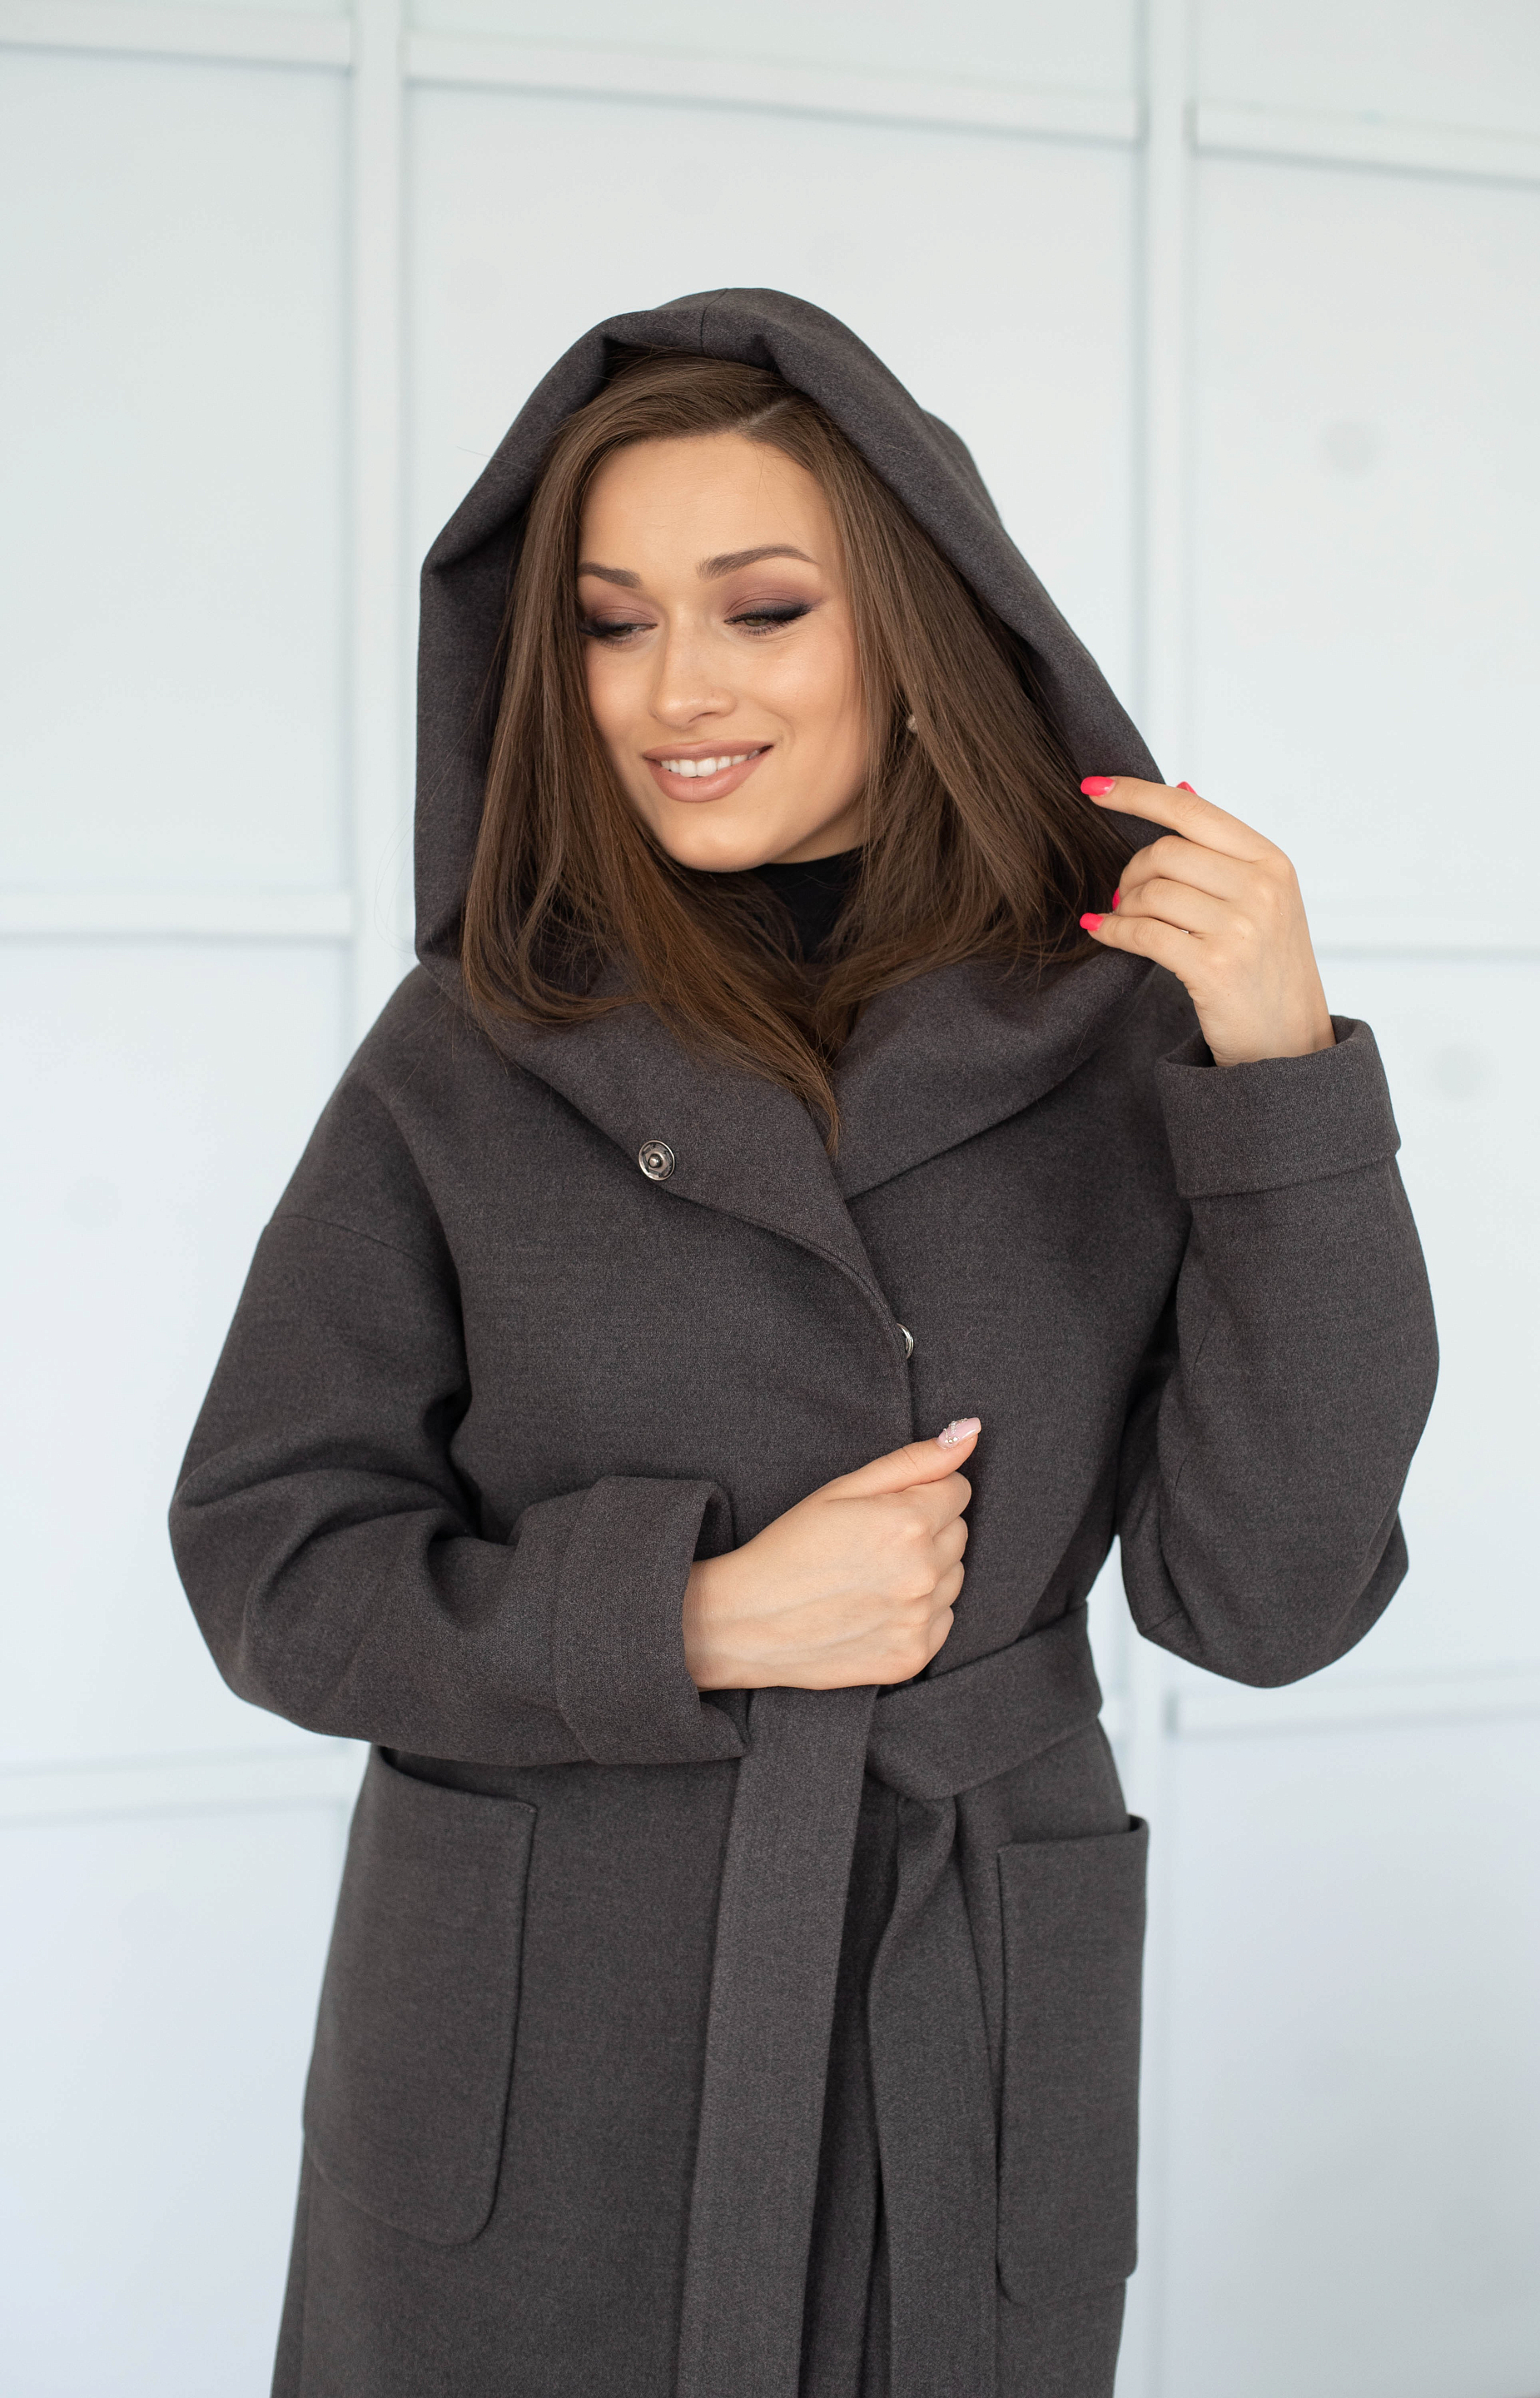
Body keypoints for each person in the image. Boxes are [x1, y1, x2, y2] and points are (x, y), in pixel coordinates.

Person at [171, 289, 1438, 2398]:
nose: (677, 689)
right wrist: (689, 1621)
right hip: (537, 2048)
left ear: (916, 629)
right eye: (611, 624)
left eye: (762, 609)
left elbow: (1268, 1604)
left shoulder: (1125, 1038)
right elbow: (268, 1562)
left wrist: (1286, 1075)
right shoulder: (471, 1047)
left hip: (960, 2010)